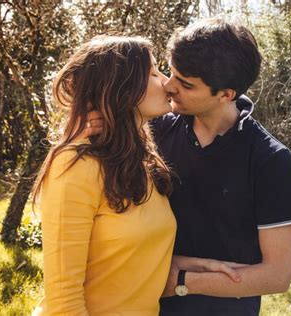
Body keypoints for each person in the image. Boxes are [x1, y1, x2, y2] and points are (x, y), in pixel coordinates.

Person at [83, 18, 291, 316]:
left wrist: (182, 281)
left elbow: (278, 275)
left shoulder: (270, 160)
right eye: (171, 72)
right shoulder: (152, 130)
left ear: (226, 94)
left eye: (186, 84)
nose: (168, 85)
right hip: (139, 306)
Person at [31, 35, 241, 316]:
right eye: (154, 72)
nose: (166, 82)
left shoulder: (140, 159)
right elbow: (63, 300)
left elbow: (123, 257)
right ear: (123, 88)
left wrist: (191, 265)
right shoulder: (75, 165)